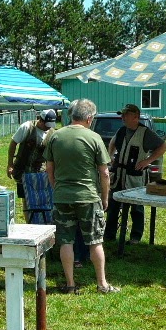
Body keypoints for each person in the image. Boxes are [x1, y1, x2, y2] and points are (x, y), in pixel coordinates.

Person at [45, 98, 119, 294]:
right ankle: (102, 284)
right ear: (89, 118)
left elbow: (49, 168)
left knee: (66, 241)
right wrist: (104, 198)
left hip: (62, 196)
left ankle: (70, 284)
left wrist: (56, 188)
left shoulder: (55, 136)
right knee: (95, 241)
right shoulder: (94, 138)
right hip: (88, 196)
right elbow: (104, 173)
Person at [104, 103, 166, 244]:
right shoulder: (121, 130)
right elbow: (112, 143)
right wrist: (110, 157)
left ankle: (136, 236)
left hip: (135, 175)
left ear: (135, 117)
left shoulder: (145, 132)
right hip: (119, 174)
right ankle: (109, 235)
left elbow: (164, 146)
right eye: (122, 114)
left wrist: (148, 161)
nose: (123, 117)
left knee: (137, 207)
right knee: (113, 205)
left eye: (126, 114)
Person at [6, 108, 57, 222]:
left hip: (41, 172)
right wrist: (10, 164)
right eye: (47, 124)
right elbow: (13, 143)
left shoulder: (53, 133)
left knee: (44, 198)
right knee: (26, 199)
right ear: (41, 120)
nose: (49, 127)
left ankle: (44, 222)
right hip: (23, 170)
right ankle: (29, 222)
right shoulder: (27, 127)